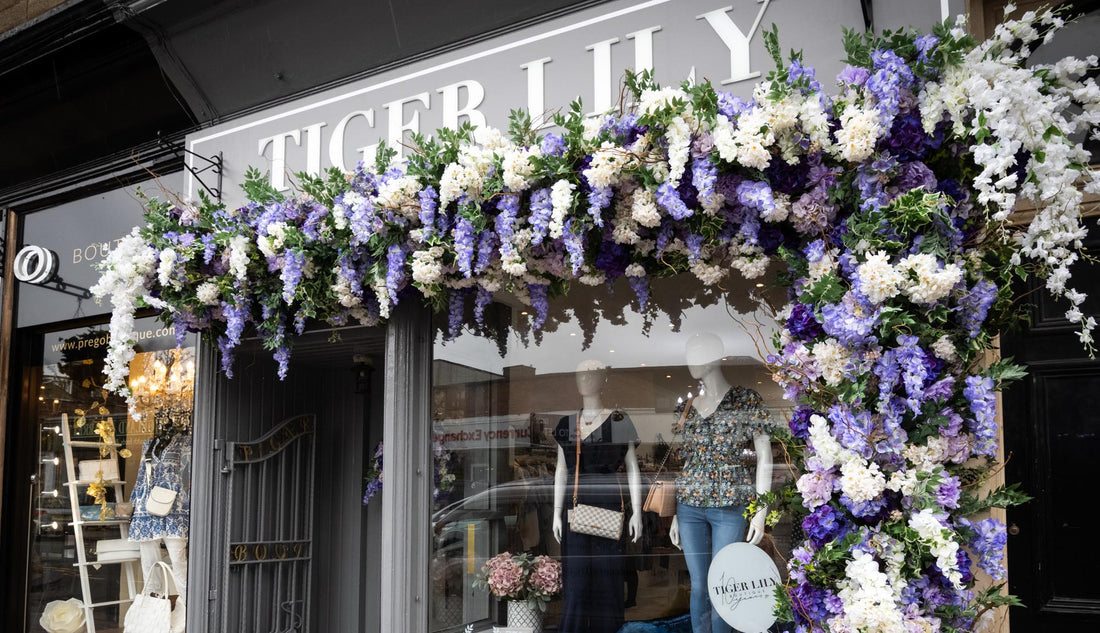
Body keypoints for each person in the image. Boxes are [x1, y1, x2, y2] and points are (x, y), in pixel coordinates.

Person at [670, 333, 773, 633]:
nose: (691, 359)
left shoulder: (746, 400)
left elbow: (765, 457)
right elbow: (684, 461)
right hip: (689, 505)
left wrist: (761, 511)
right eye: (688, 352)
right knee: (700, 586)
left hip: (730, 504)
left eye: (697, 350)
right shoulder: (687, 406)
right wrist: (676, 512)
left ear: (716, 356)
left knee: (725, 584)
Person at [551, 359, 642, 633]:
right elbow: (560, 470)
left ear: (603, 380)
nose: (584, 378)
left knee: (607, 583)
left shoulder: (618, 420)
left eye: (591, 374)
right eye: (580, 373)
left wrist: (636, 510)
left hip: (609, 507)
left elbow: (633, 468)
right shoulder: (567, 424)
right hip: (575, 508)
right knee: (576, 587)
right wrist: (555, 512)